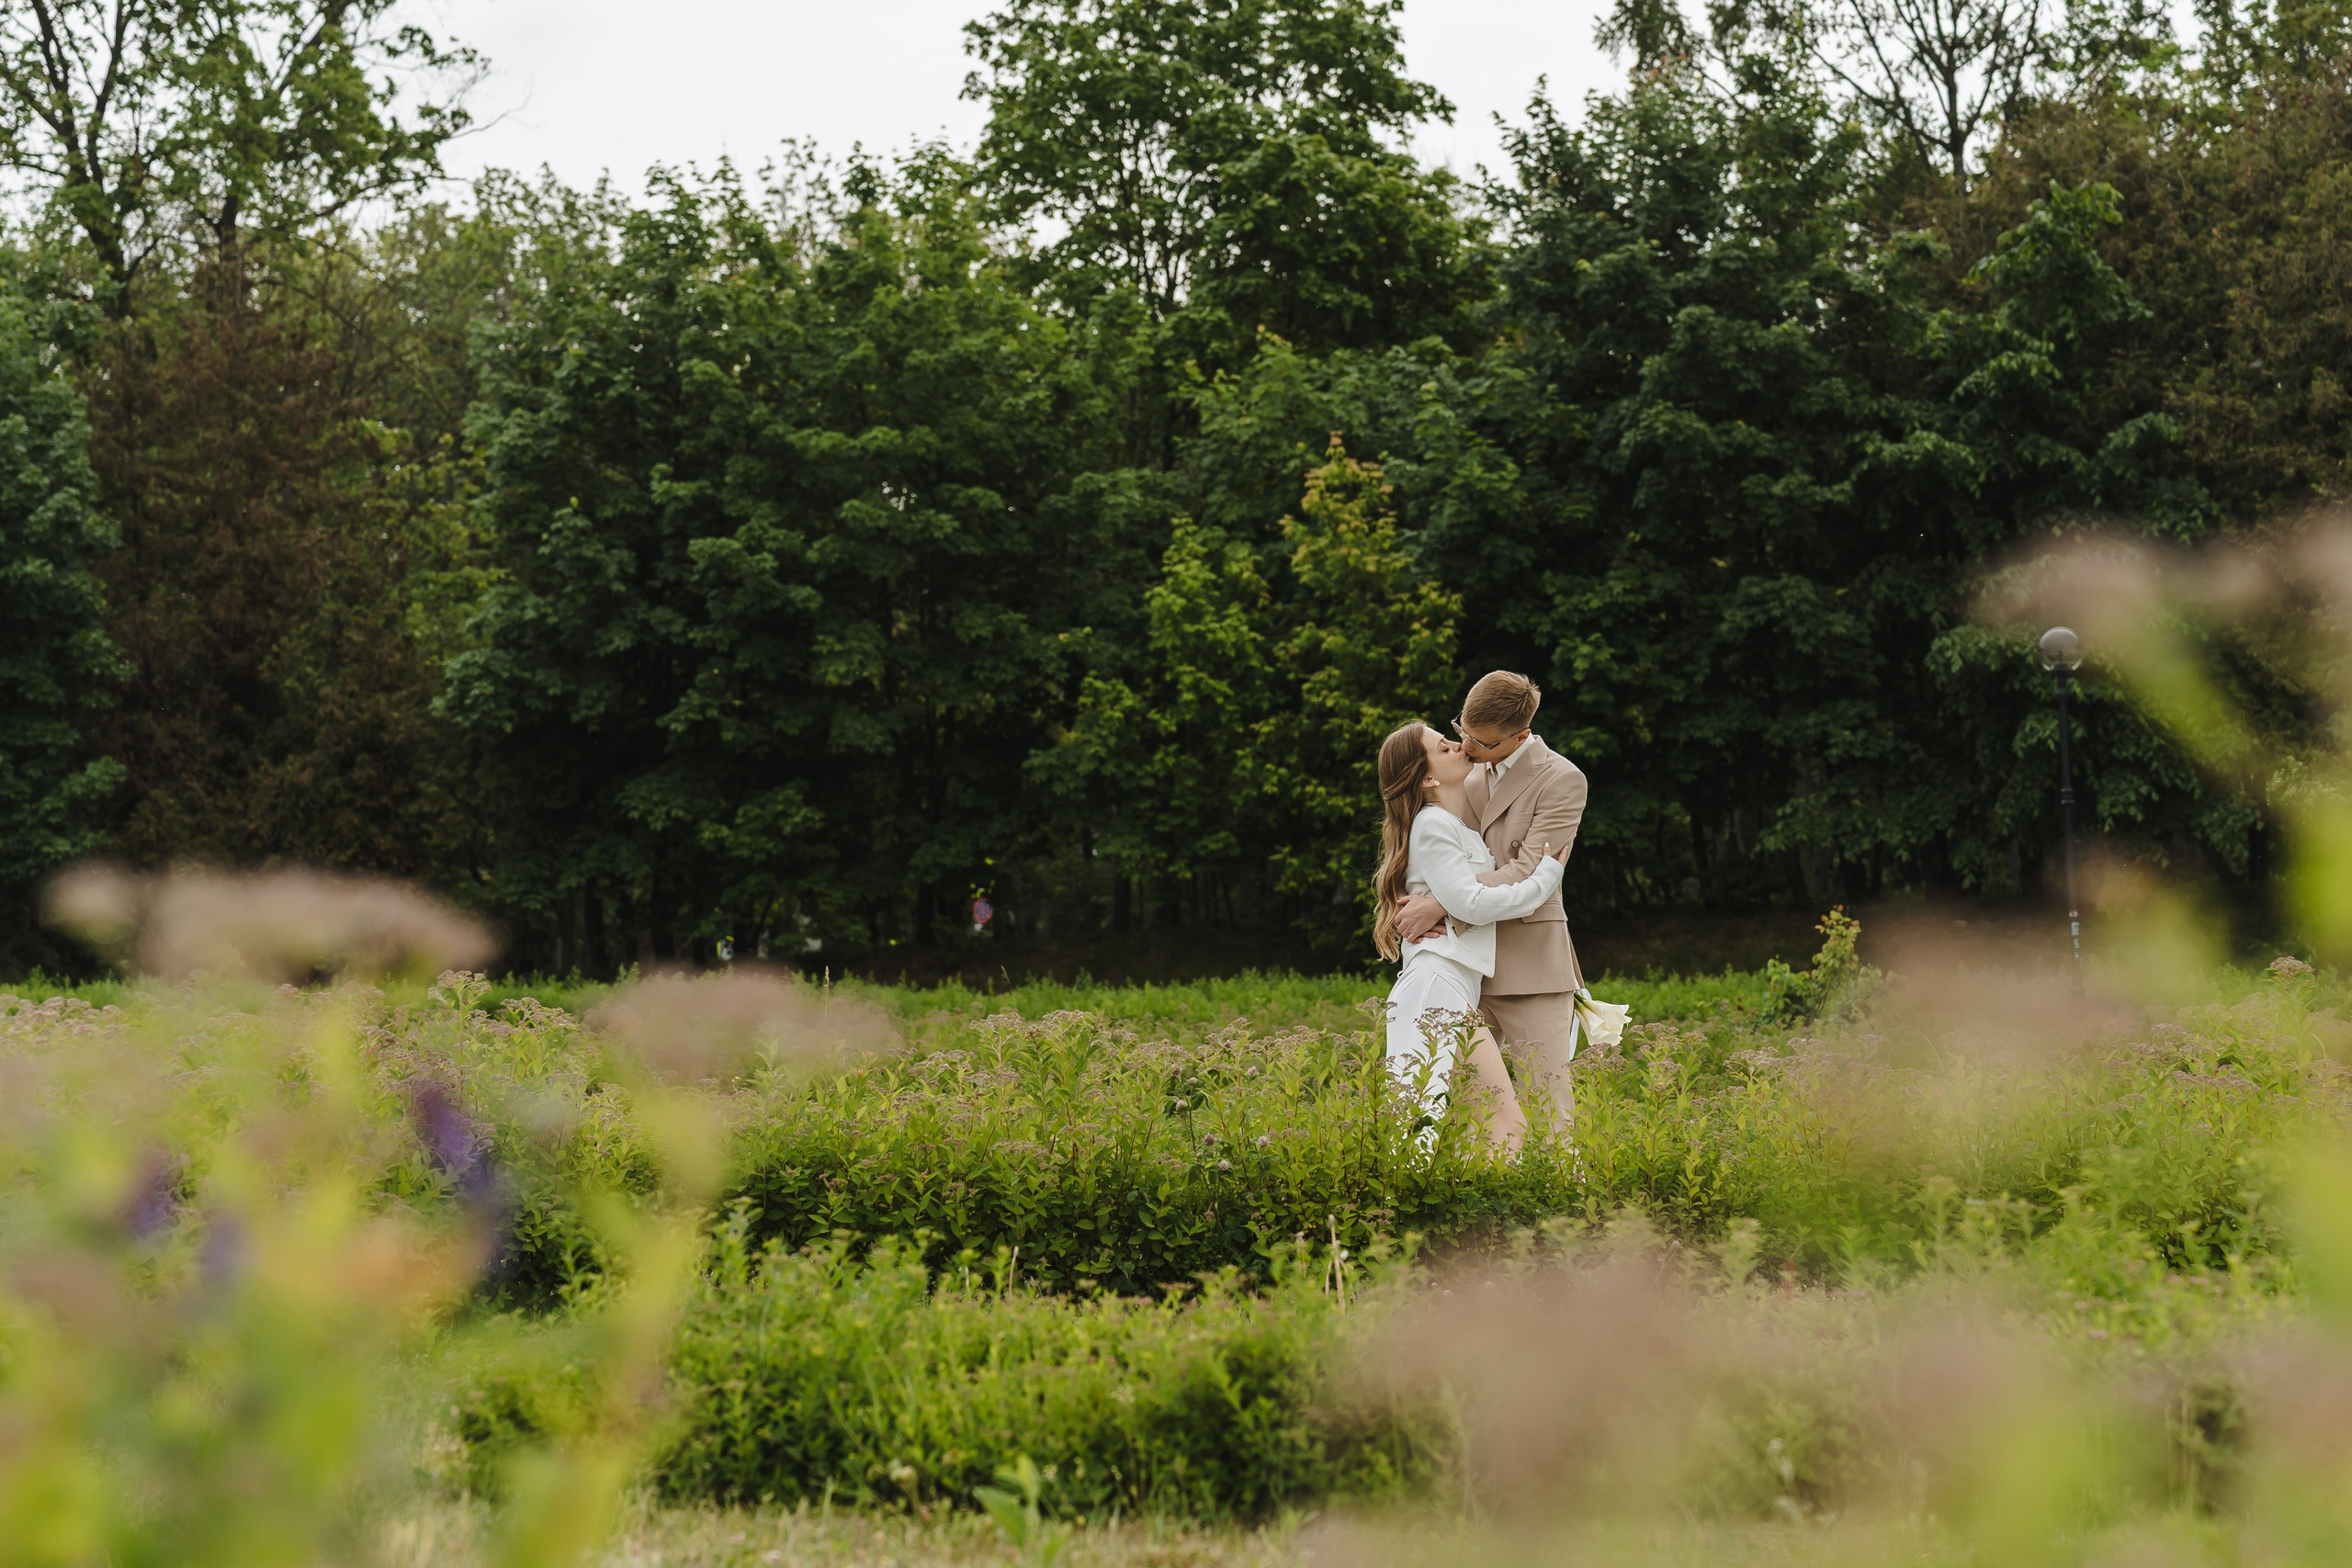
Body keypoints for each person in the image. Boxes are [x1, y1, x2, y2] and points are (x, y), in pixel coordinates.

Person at [1392, 671, 1589, 1135]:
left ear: (1519, 736)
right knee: (1461, 1107)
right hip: (1464, 966)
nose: (1466, 748)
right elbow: (1437, 853)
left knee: (1549, 1107)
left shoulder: (1562, 780)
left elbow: (1527, 872)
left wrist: (1439, 902)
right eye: (1461, 732)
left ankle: (1572, 1207)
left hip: (1532, 967)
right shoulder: (1459, 772)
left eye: (1480, 743)